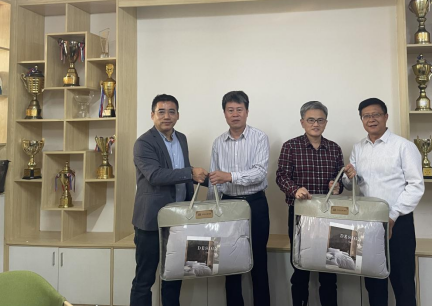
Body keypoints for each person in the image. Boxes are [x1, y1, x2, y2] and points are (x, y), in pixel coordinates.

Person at [343, 98, 424, 307]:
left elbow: (416, 185)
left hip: (397, 223)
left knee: (403, 282)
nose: (371, 119)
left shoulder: (403, 147)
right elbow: (353, 186)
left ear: (386, 117)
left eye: (376, 114)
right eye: (366, 116)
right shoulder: (358, 148)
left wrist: (392, 216)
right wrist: (349, 178)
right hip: (367, 223)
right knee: (373, 283)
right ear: (362, 120)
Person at [130, 94, 208, 306]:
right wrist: (191, 172)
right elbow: (155, 175)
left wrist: (212, 180)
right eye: (161, 112)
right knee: (144, 279)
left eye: (171, 112)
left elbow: (183, 172)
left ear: (178, 115)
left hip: (180, 220)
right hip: (151, 221)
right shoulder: (144, 143)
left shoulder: (181, 138)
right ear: (152, 115)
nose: (167, 116)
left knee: (173, 277)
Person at [276, 101, 344, 306]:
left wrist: (337, 186)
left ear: (326, 123)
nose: (316, 124)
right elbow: (281, 176)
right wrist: (295, 190)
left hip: (328, 216)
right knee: (300, 269)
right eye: (311, 120)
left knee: (329, 269)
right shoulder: (290, 146)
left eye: (320, 120)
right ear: (302, 122)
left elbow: (340, 180)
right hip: (300, 215)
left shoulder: (334, 148)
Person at [208, 91, 271, 306]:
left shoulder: (259, 137)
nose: (235, 114)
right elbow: (214, 179)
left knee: (259, 260)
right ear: (224, 113)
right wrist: (211, 211)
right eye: (230, 110)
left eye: (239, 110)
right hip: (228, 205)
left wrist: (230, 176)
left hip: (255, 204)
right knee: (229, 262)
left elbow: (260, 173)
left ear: (247, 112)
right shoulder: (218, 142)